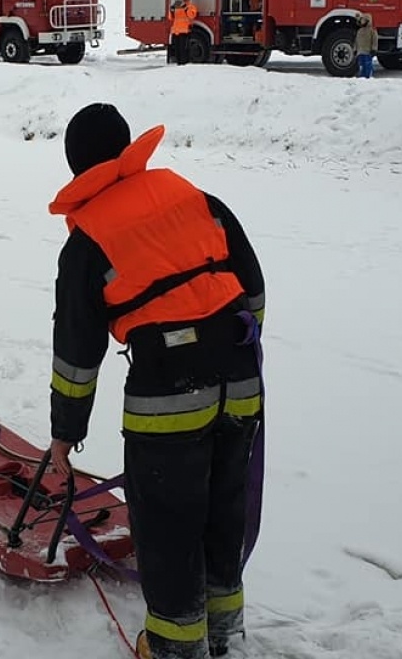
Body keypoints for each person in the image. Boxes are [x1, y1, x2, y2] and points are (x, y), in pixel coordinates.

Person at [45, 103, 266, 659]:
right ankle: (224, 637)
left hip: (167, 397)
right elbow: (253, 291)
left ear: (77, 168)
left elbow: (77, 356)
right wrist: (233, 351)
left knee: (168, 526)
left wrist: (63, 437)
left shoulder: (88, 240)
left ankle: (173, 647)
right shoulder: (195, 198)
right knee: (222, 512)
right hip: (241, 383)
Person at [167, 0, 198, 65]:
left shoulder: (191, 7)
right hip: (176, 30)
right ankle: (178, 61)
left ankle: (184, 62)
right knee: (177, 48)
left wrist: (185, 8)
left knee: (183, 48)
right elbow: (171, 18)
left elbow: (191, 16)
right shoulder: (178, 7)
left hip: (185, 30)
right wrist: (171, 10)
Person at [355, 12, 376, 78]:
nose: (362, 22)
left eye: (363, 20)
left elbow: (375, 40)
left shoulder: (372, 31)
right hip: (360, 52)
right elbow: (356, 41)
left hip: (368, 51)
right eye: (361, 20)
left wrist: (374, 49)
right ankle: (361, 75)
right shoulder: (359, 31)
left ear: (368, 21)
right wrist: (355, 49)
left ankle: (368, 75)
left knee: (368, 63)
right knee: (361, 64)